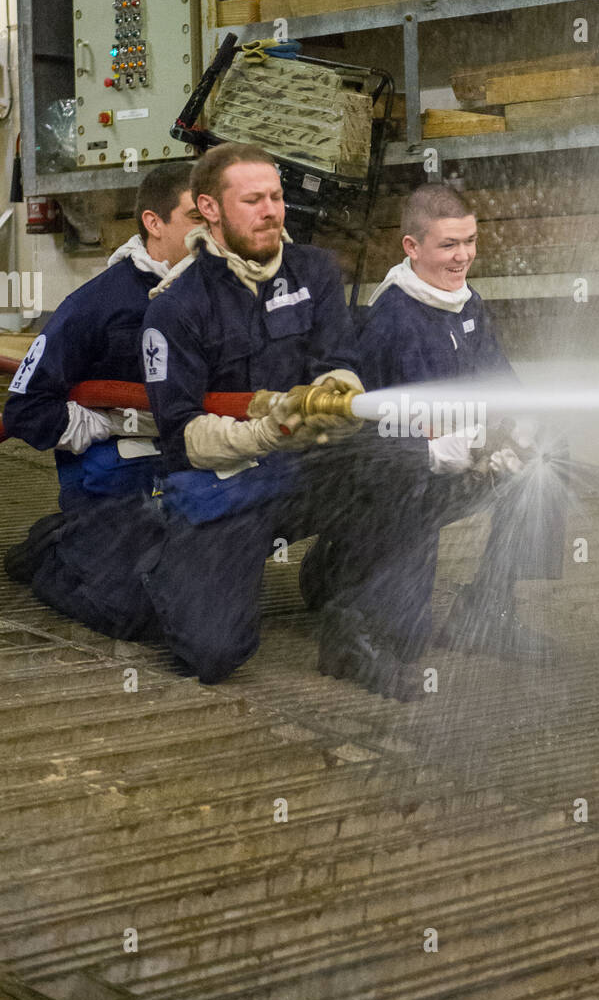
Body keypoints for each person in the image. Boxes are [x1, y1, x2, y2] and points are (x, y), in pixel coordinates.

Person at [138, 141, 435, 693]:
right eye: (252, 199)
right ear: (209, 209)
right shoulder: (177, 306)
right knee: (213, 653)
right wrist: (270, 429)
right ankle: (153, 564)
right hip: (227, 491)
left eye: (275, 196)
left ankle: (349, 617)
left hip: (303, 473)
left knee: (401, 453)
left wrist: (332, 394)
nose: (271, 210)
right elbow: (181, 437)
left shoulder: (315, 271)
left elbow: (339, 360)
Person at [354, 182, 568, 657]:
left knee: (546, 456)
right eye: (448, 244)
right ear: (411, 247)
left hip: (457, 460)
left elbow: (503, 388)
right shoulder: (392, 322)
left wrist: (522, 429)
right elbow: (383, 442)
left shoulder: (468, 304)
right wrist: (465, 443)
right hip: (397, 485)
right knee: (403, 645)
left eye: (470, 241)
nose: (462, 256)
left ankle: (489, 612)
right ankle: (349, 585)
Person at [2, 163, 201, 635]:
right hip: (114, 473)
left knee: (196, 599)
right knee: (134, 610)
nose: (214, 232)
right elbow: (24, 409)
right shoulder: (97, 304)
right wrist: (101, 424)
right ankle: (54, 549)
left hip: (186, 462)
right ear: (155, 223)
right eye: (197, 218)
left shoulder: (218, 296)